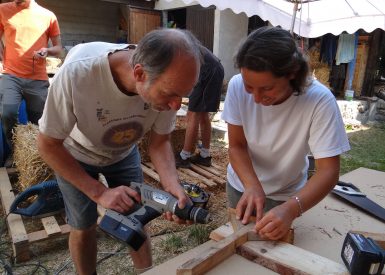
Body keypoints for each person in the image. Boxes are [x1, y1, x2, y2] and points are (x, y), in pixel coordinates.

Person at [37, 28, 201, 275]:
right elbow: (47, 145)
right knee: (83, 226)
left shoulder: (167, 79)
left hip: (123, 152)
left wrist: (172, 186)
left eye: (183, 95)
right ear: (139, 73)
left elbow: (159, 142)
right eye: (170, 94)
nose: (176, 105)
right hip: (76, 153)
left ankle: (146, 272)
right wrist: (99, 192)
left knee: (136, 219)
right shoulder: (78, 74)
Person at [221, 26, 350, 241]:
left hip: (289, 195)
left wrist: (291, 209)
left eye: (267, 88)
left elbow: (328, 171)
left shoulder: (319, 101)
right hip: (242, 185)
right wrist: (251, 185)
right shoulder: (236, 86)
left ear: (292, 73)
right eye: (249, 86)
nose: (256, 98)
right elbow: (236, 146)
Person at [0, 0, 62, 167]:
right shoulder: (3, 10)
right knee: (8, 112)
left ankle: (37, 158)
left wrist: (47, 51)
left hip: (38, 78)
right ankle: (14, 153)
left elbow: (59, 48)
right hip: (10, 75)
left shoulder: (48, 16)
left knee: (39, 121)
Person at [175, 45, 224, 168]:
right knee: (203, 114)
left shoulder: (176, 48)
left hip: (208, 72)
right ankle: (204, 155)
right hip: (213, 70)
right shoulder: (181, 44)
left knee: (193, 114)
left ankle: (184, 157)